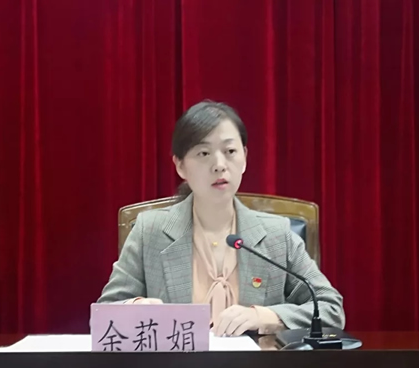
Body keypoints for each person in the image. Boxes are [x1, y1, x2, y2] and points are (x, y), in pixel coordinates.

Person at [97, 100, 345, 337]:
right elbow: (105, 313)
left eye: (230, 151)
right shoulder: (150, 231)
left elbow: (330, 309)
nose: (219, 164)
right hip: (176, 367)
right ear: (180, 166)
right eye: (204, 153)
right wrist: (136, 308)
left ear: (244, 157)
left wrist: (265, 317)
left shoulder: (276, 235)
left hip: (256, 367)